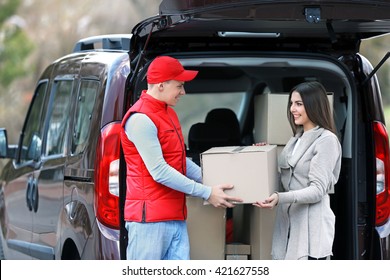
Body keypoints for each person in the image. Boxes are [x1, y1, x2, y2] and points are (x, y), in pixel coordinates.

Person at [120, 56, 242, 260]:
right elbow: (159, 171)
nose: (183, 92)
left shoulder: (168, 114)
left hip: (176, 216)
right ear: (161, 85)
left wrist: (211, 181)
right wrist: (206, 193)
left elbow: (179, 161)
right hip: (149, 222)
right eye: (179, 86)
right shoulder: (140, 119)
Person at [253, 81, 342, 260]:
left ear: (314, 105)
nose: (292, 109)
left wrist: (280, 198)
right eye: (292, 103)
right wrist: (260, 156)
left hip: (310, 231)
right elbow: (285, 180)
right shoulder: (295, 139)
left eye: (299, 104)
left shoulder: (326, 140)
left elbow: (317, 190)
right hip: (286, 226)